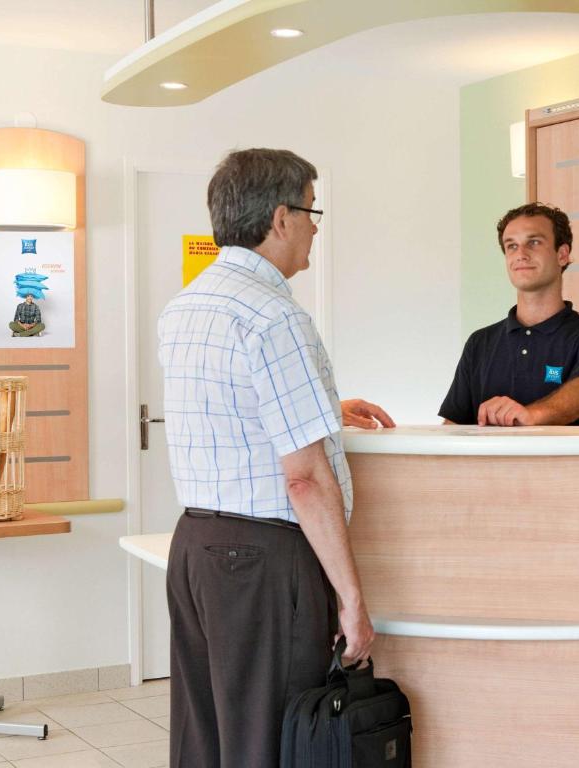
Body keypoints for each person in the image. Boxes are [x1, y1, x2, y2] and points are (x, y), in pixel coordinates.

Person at [158, 148, 393, 767]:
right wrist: (353, 599)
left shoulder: (186, 307)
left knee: (205, 735)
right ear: (282, 217)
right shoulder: (274, 316)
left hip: (194, 548)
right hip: (263, 562)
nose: (317, 226)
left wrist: (323, 409)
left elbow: (230, 410)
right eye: (313, 210)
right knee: (267, 740)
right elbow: (306, 481)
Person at [439, 202, 579, 427]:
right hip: (491, 464)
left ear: (562, 255)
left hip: (568, 463)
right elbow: (453, 426)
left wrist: (529, 415)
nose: (521, 254)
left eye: (533, 242)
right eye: (511, 246)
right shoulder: (480, 342)